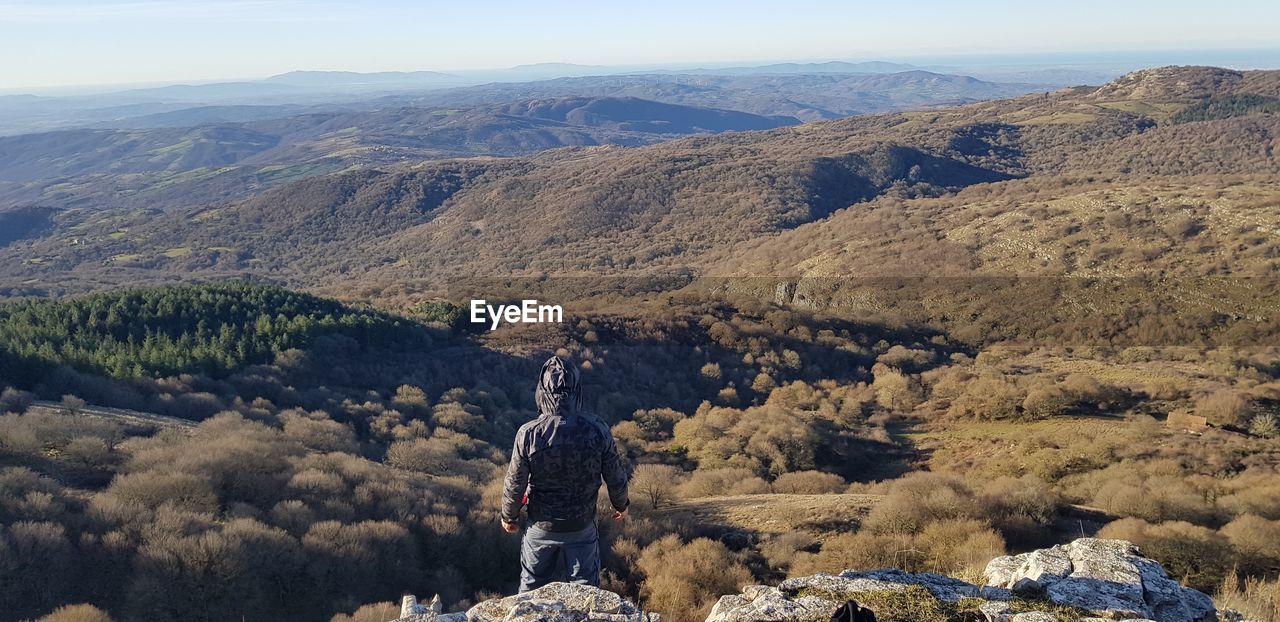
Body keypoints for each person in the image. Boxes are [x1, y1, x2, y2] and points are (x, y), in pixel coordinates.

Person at [500, 355, 631, 593]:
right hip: (581, 524)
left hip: (541, 525)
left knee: (531, 590)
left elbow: (515, 482)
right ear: (578, 390)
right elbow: (615, 474)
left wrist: (508, 516)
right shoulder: (597, 428)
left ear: (541, 391)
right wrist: (621, 504)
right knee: (586, 593)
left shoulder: (528, 433)